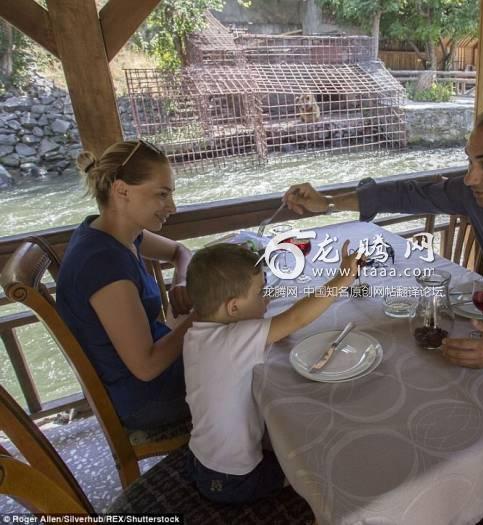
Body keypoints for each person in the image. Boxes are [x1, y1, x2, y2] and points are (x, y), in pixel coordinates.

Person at [282, 106, 483, 369]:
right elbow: (408, 194)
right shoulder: (477, 195)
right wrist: (327, 203)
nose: (470, 178)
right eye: (470, 161)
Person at [183, 241, 358, 504]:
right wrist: (343, 278)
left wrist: (256, 303)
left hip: (200, 459)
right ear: (233, 308)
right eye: (259, 294)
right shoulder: (233, 341)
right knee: (316, 466)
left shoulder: (195, 337)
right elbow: (295, 320)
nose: (265, 300)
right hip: (234, 478)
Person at [56, 139, 194, 430]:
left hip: (152, 363)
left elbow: (179, 252)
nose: (173, 207)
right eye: (162, 195)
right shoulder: (103, 264)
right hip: (144, 398)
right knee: (250, 361)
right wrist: (202, 315)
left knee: (239, 338)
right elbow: (146, 368)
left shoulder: (113, 232)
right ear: (121, 190)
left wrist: (180, 280)